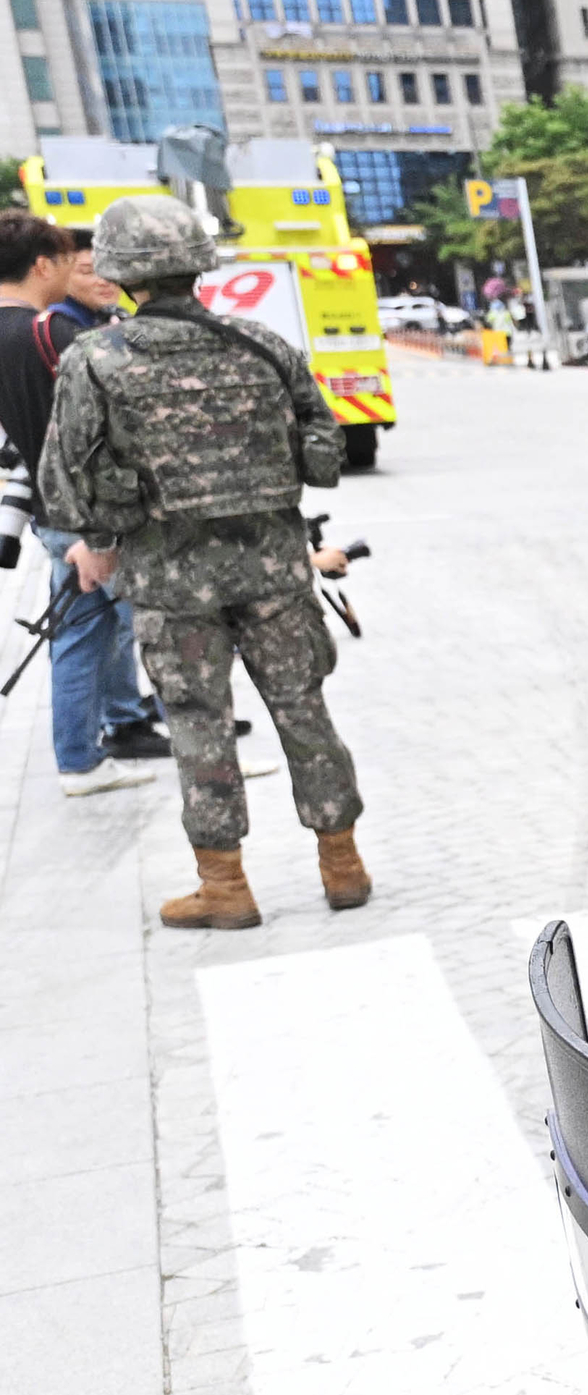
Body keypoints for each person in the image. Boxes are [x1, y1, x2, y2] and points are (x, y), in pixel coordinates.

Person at [44, 197, 365, 926]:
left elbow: (65, 485)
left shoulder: (94, 359)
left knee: (197, 723)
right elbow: (324, 455)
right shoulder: (262, 345)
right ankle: (342, 865)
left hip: (170, 581)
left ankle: (226, 888)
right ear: (200, 261)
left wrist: (122, 508)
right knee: (305, 712)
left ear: (122, 273)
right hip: (276, 573)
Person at [0, 214, 167, 794]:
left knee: (92, 633)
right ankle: (82, 758)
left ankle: (103, 737)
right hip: (77, 517)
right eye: (70, 261)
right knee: (102, 634)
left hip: (52, 513)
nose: (76, 271)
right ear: (43, 265)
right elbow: (86, 437)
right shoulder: (45, 334)